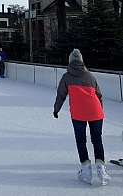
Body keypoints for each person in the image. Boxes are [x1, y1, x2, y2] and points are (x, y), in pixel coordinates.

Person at [53, 49, 110, 185]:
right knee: (97, 140)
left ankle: (86, 171)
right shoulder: (90, 76)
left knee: (81, 140)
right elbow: (99, 95)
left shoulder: (66, 77)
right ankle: (101, 170)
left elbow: (61, 95)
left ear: (70, 61)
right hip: (96, 113)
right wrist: (98, 111)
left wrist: (56, 110)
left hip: (78, 114)